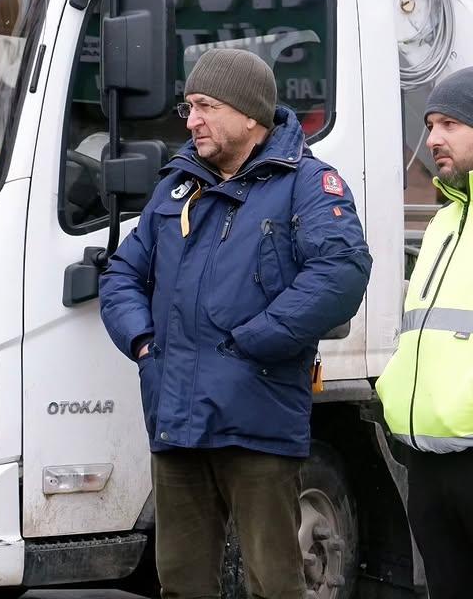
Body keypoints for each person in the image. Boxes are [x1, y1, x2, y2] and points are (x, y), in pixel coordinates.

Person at [99, 48, 372, 599]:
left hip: (258, 423)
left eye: (205, 106)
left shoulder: (306, 184)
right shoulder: (178, 186)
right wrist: (146, 343)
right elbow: (122, 272)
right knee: (181, 584)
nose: (191, 119)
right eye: (188, 107)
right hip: (176, 420)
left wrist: (254, 344)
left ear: (250, 114)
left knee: (273, 585)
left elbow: (341, 273)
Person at [376, 66, 473, 599]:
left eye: (451, 124)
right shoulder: (441, 223)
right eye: (430, 124)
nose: (432, 138)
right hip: (428, 458)